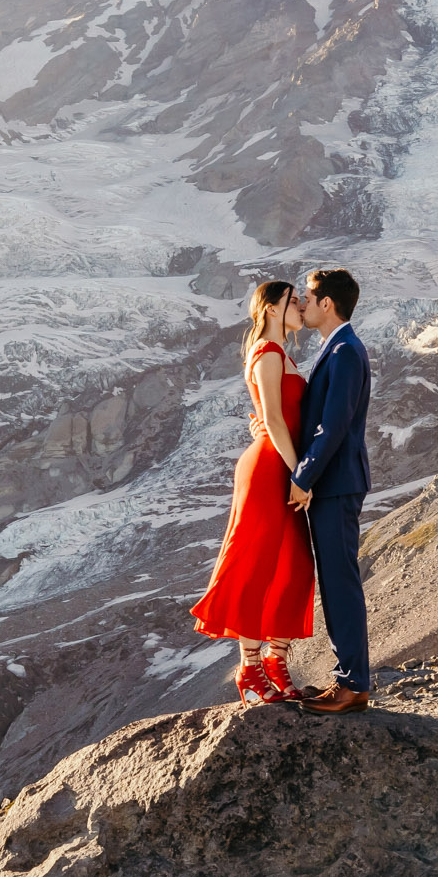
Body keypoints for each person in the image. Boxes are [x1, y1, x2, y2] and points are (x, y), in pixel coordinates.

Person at [189, 280, 315, 704]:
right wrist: (301, 472)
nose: (300, 305)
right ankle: (249, 668)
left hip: (284, 465)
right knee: (256, 562)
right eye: (293, 300)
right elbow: (275, 422)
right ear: (273, 309)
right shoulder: (266, 352)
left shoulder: (284, 354)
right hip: (268, 468)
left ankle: (277, 660)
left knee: (295, 565)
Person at [288, 267, 373, 713]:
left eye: (307, 296)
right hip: (334, 482)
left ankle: (353, 683)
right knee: (336, 580)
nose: (301, 302)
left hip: (335, 484)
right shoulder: (336, 347)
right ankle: (351, 681)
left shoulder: (344, 351)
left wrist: (303, 477)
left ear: (327, 303)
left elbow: (334, 425)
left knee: (340, 582)